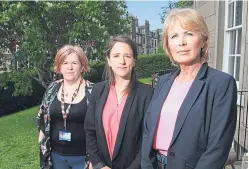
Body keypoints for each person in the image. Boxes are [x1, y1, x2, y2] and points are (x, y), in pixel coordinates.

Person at [141, 8, 237, 169]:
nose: (181, 42)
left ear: (203, 41)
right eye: (174, 36)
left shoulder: (221, 83)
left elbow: (218, 147)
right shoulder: (163, 82)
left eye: (189, 34)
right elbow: (148, 129)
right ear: (168, 45)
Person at [85, 36, 153, 169]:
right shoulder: (98, 90)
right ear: (109, 60)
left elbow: (147, 139)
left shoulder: (147, 94)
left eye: (127, 56)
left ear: (134, 61)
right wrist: (98, 164)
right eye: (116, 56)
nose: (122, 61)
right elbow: (90, 131)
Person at [36, 45, 93, 169]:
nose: (69, 67)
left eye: (74, 63)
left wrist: (95, 160)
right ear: (59, 67)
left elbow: (100, 128)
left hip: (83, 157)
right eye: (65, 63)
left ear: (82, 66)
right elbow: (43, 117)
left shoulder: (93, 91)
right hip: (55, 156)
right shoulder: (52, 88)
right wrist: (41, 144)